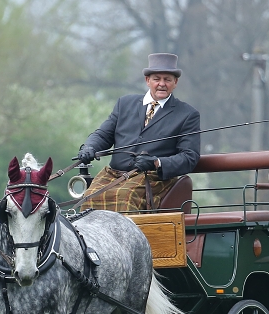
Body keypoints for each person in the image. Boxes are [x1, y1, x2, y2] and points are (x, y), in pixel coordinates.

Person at [76, 53, 201, 211]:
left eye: (167, 79)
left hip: (152, 178)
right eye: (157, 79)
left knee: (125, 197)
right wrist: (89, 147)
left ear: (175, 82)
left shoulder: (187, 114)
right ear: (147, 80)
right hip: (113, 174)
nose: (162, 84)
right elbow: (103, 135)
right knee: (89, 198)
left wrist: (156, 162)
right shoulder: (125, 103)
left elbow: (190, 157)